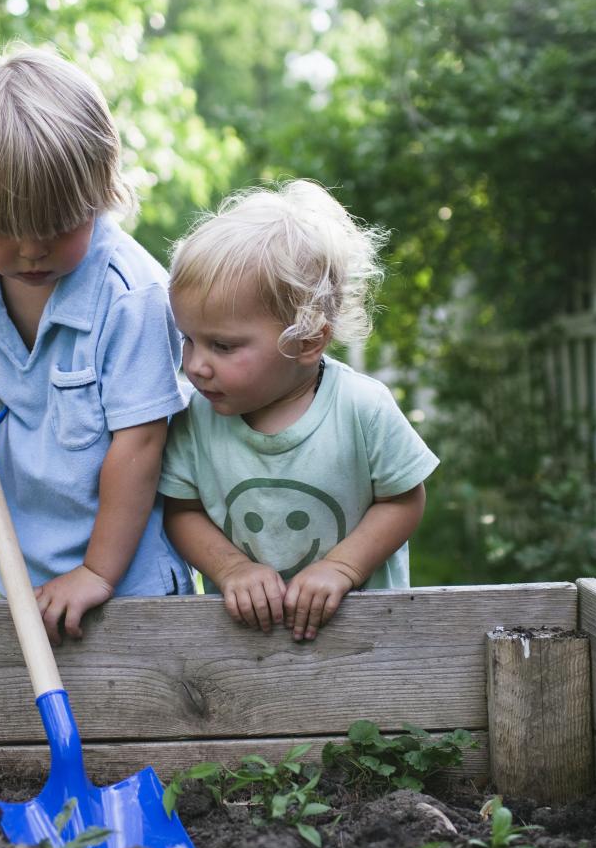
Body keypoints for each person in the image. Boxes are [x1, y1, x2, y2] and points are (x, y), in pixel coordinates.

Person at [0, 45, 193, 645]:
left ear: (99, 193)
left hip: (130, 581)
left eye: (57, 225)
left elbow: (141, 442)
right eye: (4, 228)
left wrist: (96, 572)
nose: (31, 249)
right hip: (24, 566)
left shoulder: (129, 296)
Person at [159, 180, 438, 642]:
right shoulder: (197, 418)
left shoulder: (361, 409)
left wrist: (341, 568)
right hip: (243, 647)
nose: (195, 365)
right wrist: (232, 569)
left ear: (308, 341)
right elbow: (181, 510)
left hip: (365, 642)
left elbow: (404, 498)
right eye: (188, 339)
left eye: (223, 346)